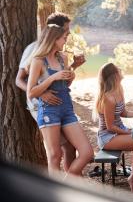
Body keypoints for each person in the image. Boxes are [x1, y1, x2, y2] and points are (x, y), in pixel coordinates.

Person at [15, 12, 85, 172]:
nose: (68, 33)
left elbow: (59, 78)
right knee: (57, 153)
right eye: (66, 29)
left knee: (69, 148)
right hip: (41, 105)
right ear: (56, 30)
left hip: (60, 103)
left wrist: (73, 67)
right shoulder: (33, 49)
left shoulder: (60, 54)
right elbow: (19, 80)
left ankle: (72, 181)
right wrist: (42, 94)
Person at [27, 24, 93, 176]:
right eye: (64, 38)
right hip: (49, 111)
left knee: (87, 152)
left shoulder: (63, 58)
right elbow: (31, 92)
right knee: (55, 156)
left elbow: (65, 84)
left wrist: (72, 71)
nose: (65, 41)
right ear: (53, 39)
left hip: (67, 109)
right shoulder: (38, 61)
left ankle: (66, 184)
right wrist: (52, 78)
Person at [94, 63, 133, 192]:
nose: (121, 70)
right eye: (118, 69)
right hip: (107, 137)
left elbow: (124, 113)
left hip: (119, 131)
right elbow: (110, 127)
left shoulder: (119, 89)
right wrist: (127, 133)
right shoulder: (108, 98)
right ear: (114, 76)